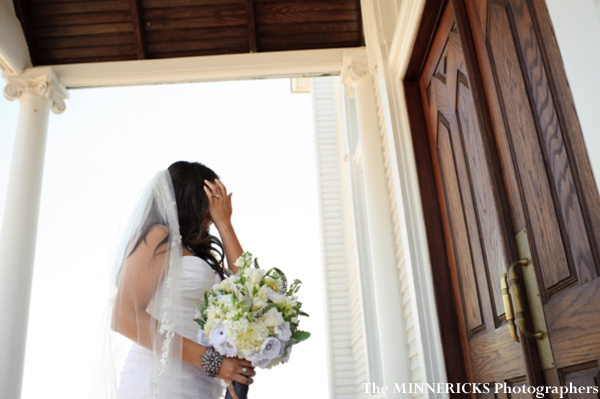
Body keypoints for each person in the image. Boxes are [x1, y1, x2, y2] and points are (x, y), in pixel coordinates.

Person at [110, 161, 255, 399]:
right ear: (194, 198)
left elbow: (248, 290)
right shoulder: (159, 235)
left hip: (200, 383)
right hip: (159, 380)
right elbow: (123, 317)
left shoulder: (197, 251)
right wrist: (212, 362)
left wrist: (225, 224)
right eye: (212, 197)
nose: (217, 205)